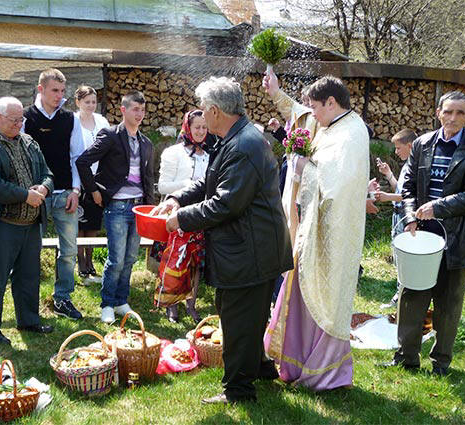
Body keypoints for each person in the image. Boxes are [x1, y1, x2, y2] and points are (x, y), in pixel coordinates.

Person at [153, 76, 292, 404]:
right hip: (251, 247)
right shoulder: (236, 138)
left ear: (215, 111)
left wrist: (179, 220)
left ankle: (239, 391)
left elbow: (226, 203)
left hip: (250, 251)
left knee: (238, 318)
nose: (201, 113)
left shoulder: (244, 145)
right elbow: (209, 182)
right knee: (247, 315)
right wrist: (178, 199)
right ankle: (260, 368)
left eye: (203, 108)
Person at [264, 75, 370, 390]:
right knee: (299, 291)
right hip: (310, 230)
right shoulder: (330, 123)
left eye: (316, 107)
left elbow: (335, 188)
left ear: (331, 103)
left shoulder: (351, 134)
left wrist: (302, 170)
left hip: (331, 237)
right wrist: (276, 93)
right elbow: (301, 114)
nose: (312, 114)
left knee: (325, 300)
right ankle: (297, 362)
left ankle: (324, 372)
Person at [383, 91, 465, 376]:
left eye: (460, 113)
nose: (453, 118)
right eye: (448, 112)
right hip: (421, 235)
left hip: (459, 237)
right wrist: (409, 218)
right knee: (411, 296)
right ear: (438, 112)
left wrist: (438, 207)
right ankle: (406, 358)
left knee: (449, 302)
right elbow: (408, 187)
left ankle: (441, 362)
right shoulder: (422, 143)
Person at [0, 97, 55, 344]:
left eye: (21, 119)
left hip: (30, 224)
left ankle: (28, 321)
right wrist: (25, 195)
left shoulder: (29, 142)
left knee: (29, 275)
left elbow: (48, 173)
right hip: (1, 223)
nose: (19, 124)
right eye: (14, 120)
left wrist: (44, 188)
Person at [76, 91, 155, 324]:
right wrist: (94, 190)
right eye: (134, 109)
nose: (139, 114)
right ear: (123, 110)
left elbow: (148, 177)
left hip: (139, 207)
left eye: (142, 109)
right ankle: (107, 303)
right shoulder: (110, 135)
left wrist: (151, 208)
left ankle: (122, 301)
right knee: (116, 259)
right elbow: (83, 162)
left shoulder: (146, 142)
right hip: (117, 206)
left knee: (131, 258)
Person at [23, 68, 85, 320]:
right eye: (54, 90)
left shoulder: (71, 119)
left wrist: (76, 190)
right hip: (34, 196)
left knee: (69, 251)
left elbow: (78, 157)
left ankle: (63, 299)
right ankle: (29, 303)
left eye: (62, 91)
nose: (59, 96)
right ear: (41, 89)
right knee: (30, 250)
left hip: (64, 194)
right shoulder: (26, 117)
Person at [155, 110, 212, 323]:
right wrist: (186, 186)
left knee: (196, 261)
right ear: (188, 127)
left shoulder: (210, 154)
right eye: (197, 127)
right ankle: (172, 305)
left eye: (204, 127)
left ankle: (191, 302)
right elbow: (162, 186)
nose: (200, 131)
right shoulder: (173, 153)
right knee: (175, 259)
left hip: (201, 214)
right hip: (176, 213)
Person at [374, 129, 417, 308]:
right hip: (396, 216)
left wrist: (387, 197)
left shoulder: (415, 166)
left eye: (399, 148)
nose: (396, 152)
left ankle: (402, 297)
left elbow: (411, 196)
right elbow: (400, 189)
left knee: (404, 259)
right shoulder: (407, 165)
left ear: (410, 146)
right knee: (398, 258)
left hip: (405, 217)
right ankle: (400, 295)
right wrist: (389, 174)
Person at [73, 85, 110, 282]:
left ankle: (90, 261)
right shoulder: (73, 121)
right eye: (87, 102)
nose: (91, 105)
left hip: (97, 179)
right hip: (78, 178)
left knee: (94, 222)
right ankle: (81, 263)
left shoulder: (102, 121)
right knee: (80, 222)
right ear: (78, 102)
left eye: (94, 102)